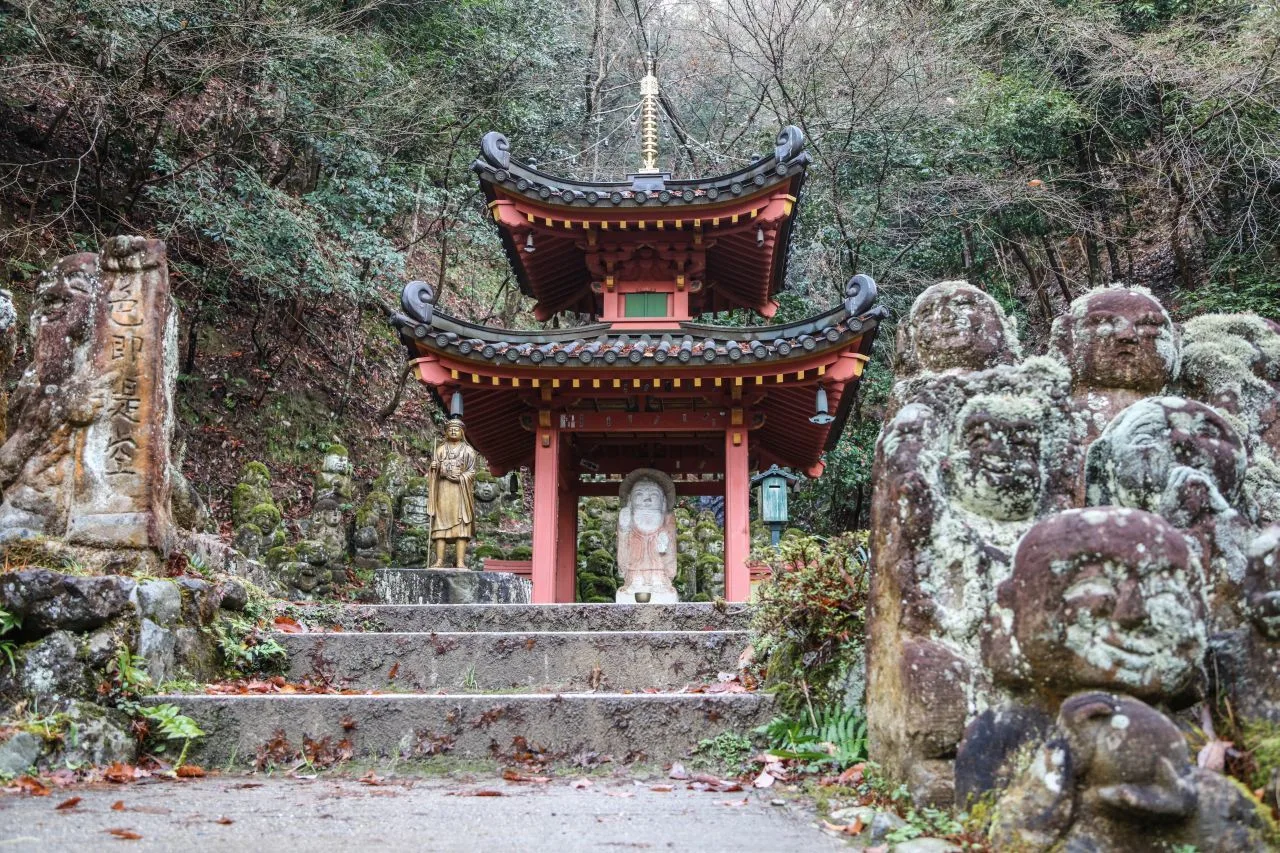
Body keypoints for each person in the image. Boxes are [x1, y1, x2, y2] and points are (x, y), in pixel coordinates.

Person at [428, 418, 477, 568]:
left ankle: (461, 561)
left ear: (462, 432)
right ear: (446, 432)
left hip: (460, 492)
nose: (453, 431)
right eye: (450, 429)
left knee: (461, 527)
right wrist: (433, 469)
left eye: (456, 429)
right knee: (440, 526)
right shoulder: (441, 450)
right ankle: (439, 560)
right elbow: (433, 475)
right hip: (443, 491)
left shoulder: (468, 451)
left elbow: (472, 472)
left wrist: (460, 477)